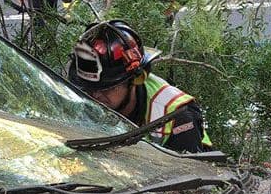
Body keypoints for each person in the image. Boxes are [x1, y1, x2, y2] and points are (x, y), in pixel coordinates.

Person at [67, 20, 212, 153]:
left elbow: (187, 170)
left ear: (135, 80)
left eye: (106, 88)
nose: (95, 96)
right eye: (89, 88)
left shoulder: (177, 115)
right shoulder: (93, 101)